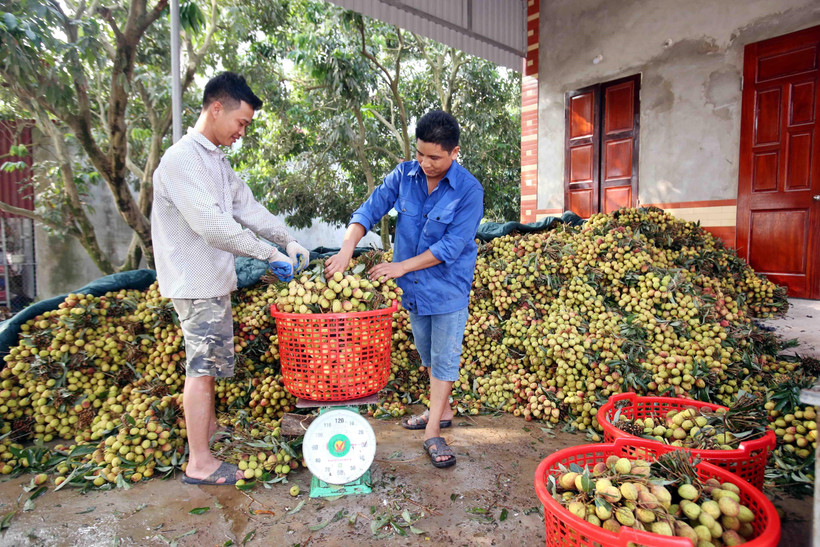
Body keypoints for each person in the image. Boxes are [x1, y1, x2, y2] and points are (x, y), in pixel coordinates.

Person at [152, 72, 309, 485]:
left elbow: (248, 209)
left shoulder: (215, 161)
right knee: (201, 369)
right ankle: (199, 463)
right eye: (241, 123)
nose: (242, 132)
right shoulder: (182, 160)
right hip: (194, 282)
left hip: (213, 282)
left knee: (210, 366)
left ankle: (209, 432)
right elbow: (213, 226)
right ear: (216, 108)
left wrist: (286, 239)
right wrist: (268, 253)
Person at [325, 110, 483, 468]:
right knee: (427, 354)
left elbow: (451, 247)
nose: (425, 163)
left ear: (454, 153)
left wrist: (399, 266)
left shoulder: (469, 191)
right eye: (420, 154)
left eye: (435, 157)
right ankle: (442, 411)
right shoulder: (404, 175)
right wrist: (347, 247)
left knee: (444, 360)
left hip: (447, 289)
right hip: (413, 289)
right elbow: (369, 209)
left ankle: (432, 432)